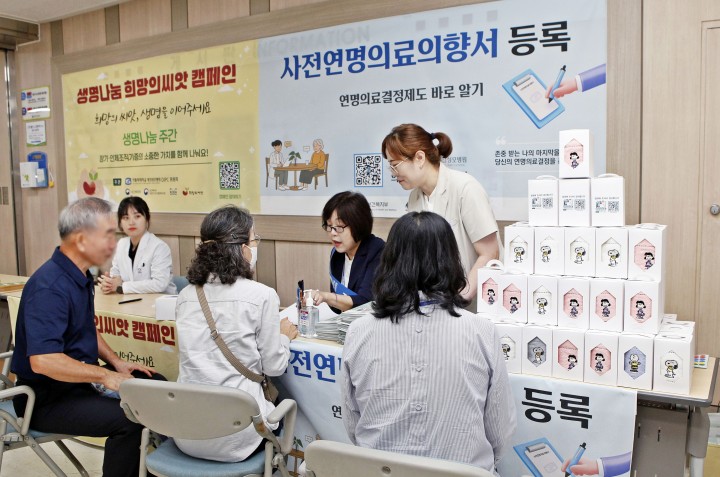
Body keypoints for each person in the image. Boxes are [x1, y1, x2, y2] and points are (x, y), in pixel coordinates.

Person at [341, 211, 515, 472]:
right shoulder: (482, 332)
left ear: (389, 261)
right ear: (451, 260)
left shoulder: (359, 331)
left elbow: (353, 424)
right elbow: (500, 433)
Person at [11, 197, 163, 477]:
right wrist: (104, 376)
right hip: (46, 399)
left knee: (155, 383)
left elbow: (86, 328)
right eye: (107, 235)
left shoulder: (78, 276)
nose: (112, 244)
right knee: (130, 420)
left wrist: (116, 363)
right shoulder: (50, 286)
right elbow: (43, 361)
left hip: (79, 384)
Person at [174, 205, 298, 462]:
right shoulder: (262, 296)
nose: (255, 246)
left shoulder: (185, 296)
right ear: (242, 249)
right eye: (254, 240)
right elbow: (274, 367)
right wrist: (284, 336)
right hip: (239, 437)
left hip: (187, 433)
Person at [381, 124, 500, 300]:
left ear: (419, 158)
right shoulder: (415, 197)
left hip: (473, 302)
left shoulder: (465, 188)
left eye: (395, 165)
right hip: (436, 303)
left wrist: (460, 299)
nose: (393, 173)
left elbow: (489, 253)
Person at [310, 191, 385, 313]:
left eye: (339, 227)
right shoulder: (337, 254)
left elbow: (365, 303)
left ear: (358, 225)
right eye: (329, 226)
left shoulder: (378, 251)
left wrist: (326, 296)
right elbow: (337, 307)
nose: (333, 233)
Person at [99, 196, 176, 295]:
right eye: (126, 218)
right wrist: (109, 284)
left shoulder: (159, 247)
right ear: (120, 223)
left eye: (137, 216)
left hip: (159, 301)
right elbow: (116, 276)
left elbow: (159, 284)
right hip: (130, 301)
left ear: (147, 219)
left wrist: (122, 286)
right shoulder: (121, 245)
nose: (131, 222)